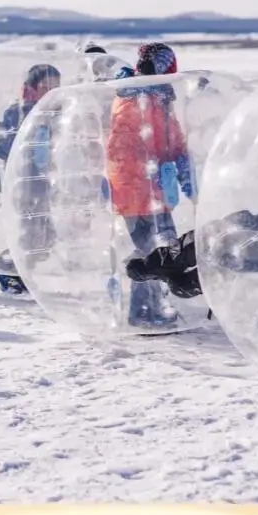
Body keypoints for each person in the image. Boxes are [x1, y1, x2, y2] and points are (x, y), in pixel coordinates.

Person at [105, 43, 198, 327]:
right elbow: (123, 149)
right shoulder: (131, 98)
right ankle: (143, 311)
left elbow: (173, 141)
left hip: (154, 193)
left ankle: (153, 306)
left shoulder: (159, 99)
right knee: (152, 254)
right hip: (135, 193)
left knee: (162, 250)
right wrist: (156, 169)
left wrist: (184, 171)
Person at [0, 63, 63, 295]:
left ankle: (23, 272)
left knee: (46, 234)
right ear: (32, 87)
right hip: (23, 184)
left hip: (43, 183)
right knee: (27, 234)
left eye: (56, 87)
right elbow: (3, 147)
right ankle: (9, 273)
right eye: (46, 86)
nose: (51, 91)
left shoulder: (52, 114)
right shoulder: (18, 112)